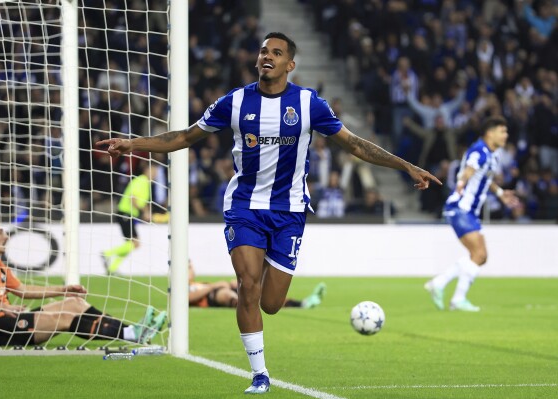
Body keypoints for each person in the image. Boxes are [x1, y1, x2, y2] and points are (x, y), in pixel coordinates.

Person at [98, 32, 441, 394]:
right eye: (264, 50)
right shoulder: (235, 102)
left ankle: (245, 305)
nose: (267, 56)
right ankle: (260, 373)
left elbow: (355, 144)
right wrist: (132, 144)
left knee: (272, 303)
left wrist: (406, 167)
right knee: (248, 285)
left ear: (290, 64)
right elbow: (184, 137)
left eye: (276, 52)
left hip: (289, 211)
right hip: (244, 206)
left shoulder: (309, 105)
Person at [0, 216, 167, 347]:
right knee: (65, 318)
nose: (5, 236)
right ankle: (131, 334)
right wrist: (7, 308)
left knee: (74, 303)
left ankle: (132, 331)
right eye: (0, 232)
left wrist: (63, 289)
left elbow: (22, 290)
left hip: (10, 317)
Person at [425, 116, 519, 312]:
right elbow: (468, 171)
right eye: (502, 131)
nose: (506, 135)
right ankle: (457, 298)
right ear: (489, 133)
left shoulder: (492, 154)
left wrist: (500, 193)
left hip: (468, 211)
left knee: (479, 256)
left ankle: (439, 283)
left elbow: (484, 178)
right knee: (479, 254)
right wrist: (460, 185)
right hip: (461, 208)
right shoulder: (480, 151)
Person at [188, 260, 325, 309]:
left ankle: (300, 304)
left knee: (260, 292)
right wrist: (213, 286)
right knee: (224, 293)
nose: (191, 270)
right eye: (188, 268)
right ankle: (240, 303)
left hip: (218, 290)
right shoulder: (180, 287)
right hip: (211, 297)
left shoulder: (197, 282)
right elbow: (188, 298)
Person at [101, 160, 157, 274]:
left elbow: (141, 201)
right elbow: (133, 198)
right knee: (134, 243)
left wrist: (146, 210)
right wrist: (145, 212)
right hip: (125, 213)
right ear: (147, 170)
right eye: (153, 171)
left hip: (128, 215)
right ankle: (107, 254)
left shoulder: (145, 183)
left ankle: (112, 268)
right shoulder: (141, 181)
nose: (155, 174)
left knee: (132, 244)